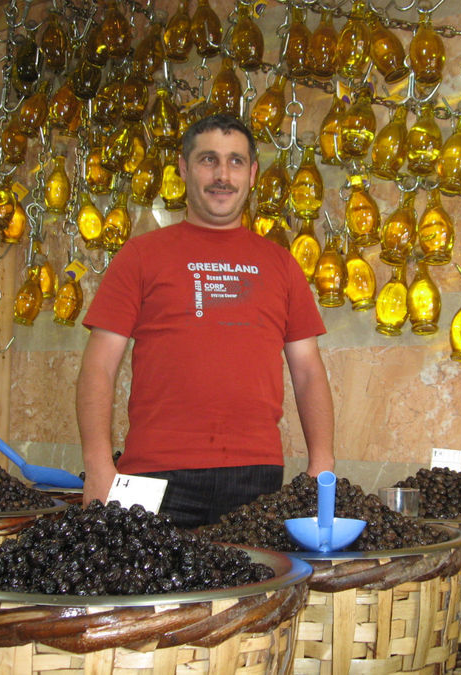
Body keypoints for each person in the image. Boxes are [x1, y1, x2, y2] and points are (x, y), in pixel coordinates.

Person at [76, 113, 335, 527]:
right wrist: (98, 464)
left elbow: (307, 371)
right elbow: (99, 365)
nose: (222, 175)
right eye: (208, 160)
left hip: (257, 475)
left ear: (252, 174)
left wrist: (322, 462)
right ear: (183, 168)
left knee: (255, 593)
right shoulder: (140, 256)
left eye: (235, 162)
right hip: (157, 474)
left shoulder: (281, 264)